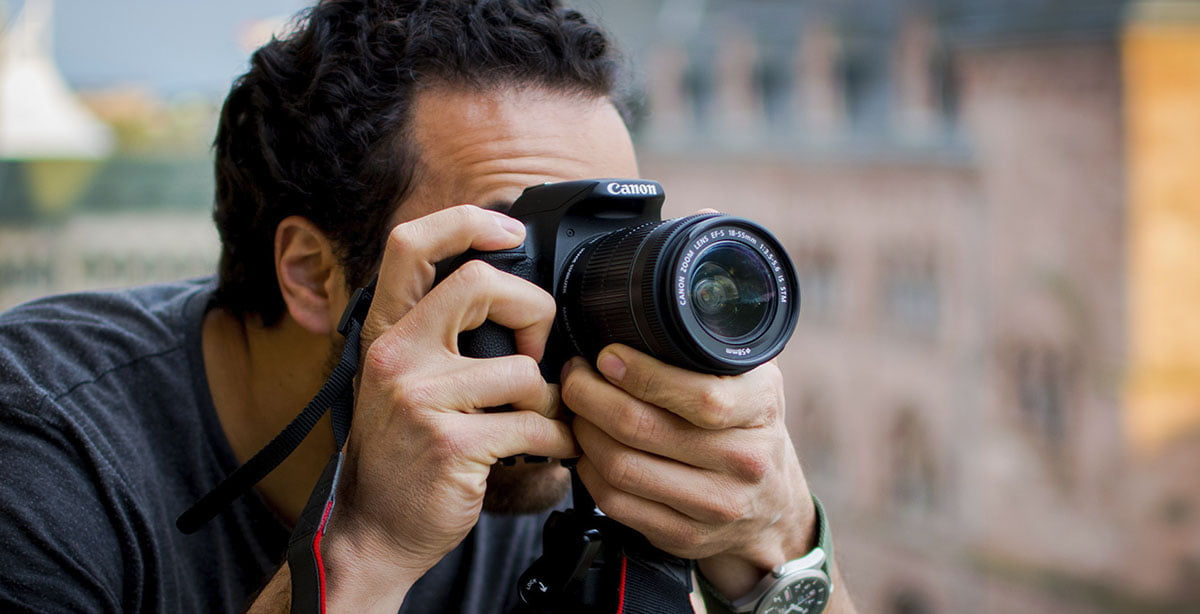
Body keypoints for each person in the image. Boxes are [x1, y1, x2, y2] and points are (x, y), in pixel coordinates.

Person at [0, 1, 856, 612]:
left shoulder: (581, 455)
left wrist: (776, 549)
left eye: (607, 246)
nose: (586, 321)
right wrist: (367, 547)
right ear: (310, 274)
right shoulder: (42, 448)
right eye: (522, 253)